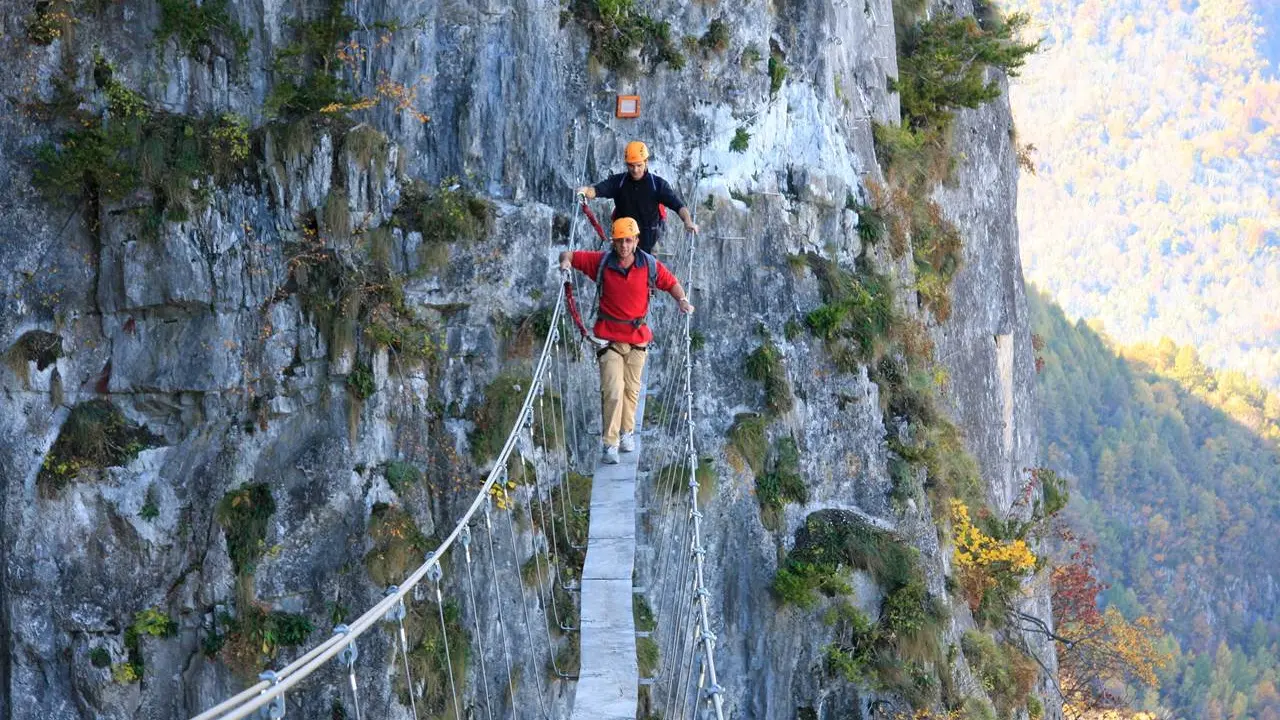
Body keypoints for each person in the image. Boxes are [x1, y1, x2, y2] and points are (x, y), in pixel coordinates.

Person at [559, 217, 695, 464]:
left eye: (628, 240)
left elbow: (671, 283)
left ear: (636, 241)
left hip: (637, 339)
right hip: (608, 338)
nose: (623, 245)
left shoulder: (649, 265)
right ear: (613, 241)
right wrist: (565, 266)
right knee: (613, 390)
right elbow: (568, 254)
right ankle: (610, 444)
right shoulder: (601, 262)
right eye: (619, 241)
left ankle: (626, 432)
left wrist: (682, 300)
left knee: (632, 390)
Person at [576, 140, 699, 254]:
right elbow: (597, 190)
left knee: (648, 271)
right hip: (624, 240)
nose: (635, 170)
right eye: (631, 165)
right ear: (626, 164)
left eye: (639, 165)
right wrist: (586, 190)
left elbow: (678, 205)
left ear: (646, 162)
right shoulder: (619, 182)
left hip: (648, 239)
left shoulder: (657, 185)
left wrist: (688, 221)